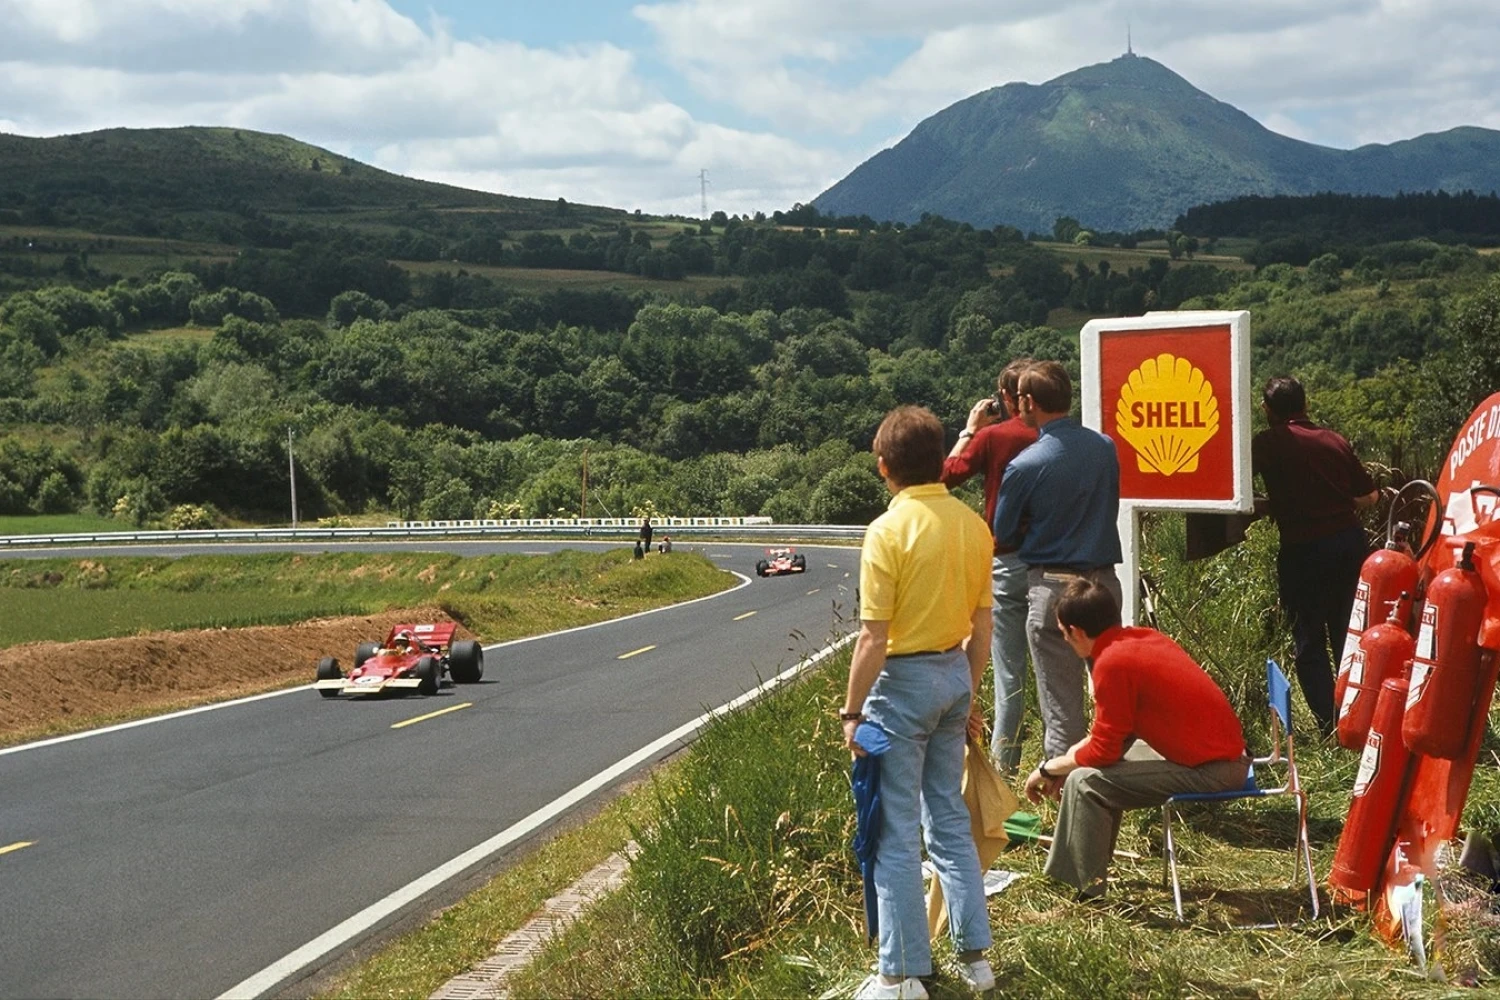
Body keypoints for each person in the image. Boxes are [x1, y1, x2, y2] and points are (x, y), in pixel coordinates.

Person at [843, 405, 996, 1000]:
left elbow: (872, 638)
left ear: (885, 467)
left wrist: (852, 712)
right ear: (939, 461)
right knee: (949, 819)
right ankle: (975, 958)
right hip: (953, 673)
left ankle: (901, 973)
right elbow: (982, 627)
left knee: (895, 831)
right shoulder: (973, 526)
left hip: (901, 685)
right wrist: (970, 692)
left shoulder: (887, 531)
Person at [1023, 578, 1248, 900]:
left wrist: (1048, 769)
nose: (1065, 640)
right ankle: (1083, 872)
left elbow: (1102, 751)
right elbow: (1111, 735)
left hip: (1215, 770)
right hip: (1224, 758)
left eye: (1063, 633)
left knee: (1085, 783)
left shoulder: (1111, 663)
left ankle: (1084, 890)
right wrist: (1065, 762)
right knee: (1089, 771)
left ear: (1076, 632)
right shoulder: (1142, 639)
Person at [992, 360, 1122, 761]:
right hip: (1103, 584)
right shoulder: (1104, 447)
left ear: (1028, 402)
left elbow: (1003, 530)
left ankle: (1065, 786)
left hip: (1053, 588)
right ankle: (1120, 776)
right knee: (1114, 697)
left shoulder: (1025, 465)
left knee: (1063, 712)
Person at [1252, 375, 1379, 736]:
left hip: (1303, 550)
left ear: (1267, 410)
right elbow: (1370, 497)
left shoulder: (1267, 443)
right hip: (1348, 545)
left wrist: (1274, 504)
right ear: (1305, 405)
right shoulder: (1334, 440)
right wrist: (1335, 500)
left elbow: (1234, 487)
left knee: (1308, 639)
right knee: (1348, 633)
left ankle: (1329, 724)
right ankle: (1357, 718)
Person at [942, 357, 1039, 774]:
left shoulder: (994, 437)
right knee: (1058, 672)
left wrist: (970, 429)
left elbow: (942, 477)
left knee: (1009, 676)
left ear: (1006, 397)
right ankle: (1059, 765)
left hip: (1008, 561)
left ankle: (1005, 771)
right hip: (1056, 560)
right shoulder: (1052, 434)